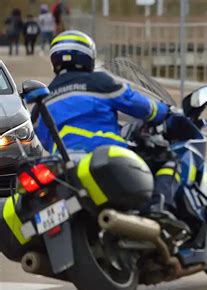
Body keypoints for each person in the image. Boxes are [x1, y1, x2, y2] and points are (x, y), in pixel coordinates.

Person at [34, 30, 189, 235]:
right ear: (88, 56)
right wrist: (165, 112)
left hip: (63, 167)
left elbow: (45, 141)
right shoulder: (100, 82)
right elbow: (140, 106)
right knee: (167, 159)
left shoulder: (41, 102)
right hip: (106, 156)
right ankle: (159, 210)